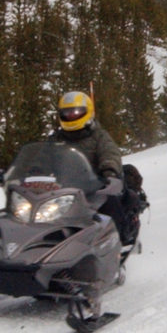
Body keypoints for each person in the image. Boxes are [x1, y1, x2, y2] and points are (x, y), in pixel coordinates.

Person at [52, 91, 145, 248]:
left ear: (87, 112)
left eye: (76, 112)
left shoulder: (98, 136)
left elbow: (110, 154)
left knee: (110, 205)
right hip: (62, 189)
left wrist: (109, 172)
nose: (71, 116)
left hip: (94, 188)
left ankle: (118, 243)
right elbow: (43, 156)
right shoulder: (56, 139)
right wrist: (30, 172)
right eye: (67, 113)